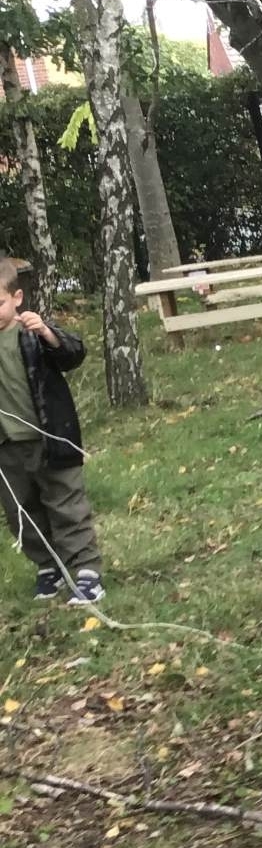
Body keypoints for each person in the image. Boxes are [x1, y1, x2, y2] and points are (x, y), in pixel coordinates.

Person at [0, 258, 103, 605]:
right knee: (21, 510)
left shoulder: (32, 333)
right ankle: (49, 566)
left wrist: (47, 332)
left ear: (16, 298)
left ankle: (86, 571)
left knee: (65, 503)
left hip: (50, 437)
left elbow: (73, 354)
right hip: (6, 447)